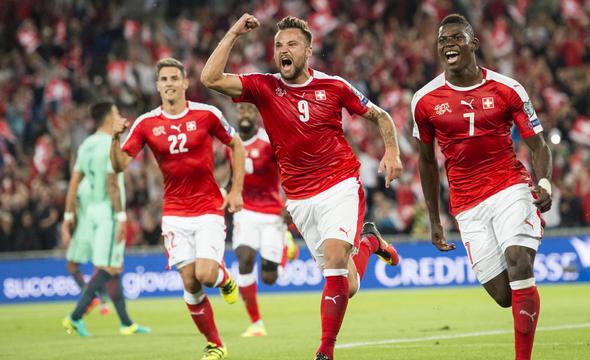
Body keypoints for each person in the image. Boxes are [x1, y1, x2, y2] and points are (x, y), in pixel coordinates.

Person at [201, 14, 403, 360]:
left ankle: (325, 351)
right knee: (347, 284)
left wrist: (392, 152)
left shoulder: (334, 86)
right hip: (300, 199)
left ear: (308, 51)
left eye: (292, 44)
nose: (284, 50)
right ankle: (370, 242)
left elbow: (381, 116)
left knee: (337, 260)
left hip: (340, 184)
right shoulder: (264, 87)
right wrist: (234, 31)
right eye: (278, 44)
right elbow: (210, 78)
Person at [411, 14, 552, 360]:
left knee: (518, 261)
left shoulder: (507, 89)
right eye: (443, 41)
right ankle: (525, 294)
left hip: (509, 186)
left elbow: (539, 145)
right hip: (466, 205)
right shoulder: (424, 100)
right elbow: (427, 163)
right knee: (505, 295)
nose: (448, 45)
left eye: (457, 38)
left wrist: (544, 181)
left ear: (473, 44)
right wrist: (434, 218)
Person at [110, 58, 245, 360]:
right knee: (189, 281)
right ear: (157, 86)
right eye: (164, 79)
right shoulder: (146, 123)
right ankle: (215, 344)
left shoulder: (207, 114)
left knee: (207, 275)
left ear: (185, 83)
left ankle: (224, 278)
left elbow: (236, 144)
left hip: (209, 207)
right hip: (174, 213)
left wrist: (235, 189)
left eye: (174, 78)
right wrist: (115, 137)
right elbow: (119, 164)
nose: (169, 83)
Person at [61, 101, 150, 337]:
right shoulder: (110, 145)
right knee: (110, 266)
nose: (119, 115)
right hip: (108, 213)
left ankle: (126, 323)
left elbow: (74, 183)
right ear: (109, 118)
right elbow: (113, 183)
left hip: (89, 213)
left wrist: (68, 216)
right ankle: (75, 317)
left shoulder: (86, 145)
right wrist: (121, 217)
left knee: (114, 268)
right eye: (116, 112)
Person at [226, 102, 298, 338]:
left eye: (250, 110)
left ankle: (286, 244)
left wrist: (290, 201)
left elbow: (288, 169)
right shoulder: (231, 145)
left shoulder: (269, 142)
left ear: (256, 116)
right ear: (236, 115)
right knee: (244, 259)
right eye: (241, 110)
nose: (245, 114)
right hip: (245, 211)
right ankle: (256, 323)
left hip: (271, 213)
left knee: (269, 278)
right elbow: (233, 177)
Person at [62, 178, 111, 316]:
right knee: (100, 267)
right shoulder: (104, 179)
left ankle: (89, 297)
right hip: (101, 228)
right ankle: (104, 303)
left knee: (72, 265)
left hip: (85, 230)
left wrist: (66, 227)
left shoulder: (79, 183)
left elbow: (73, 207)